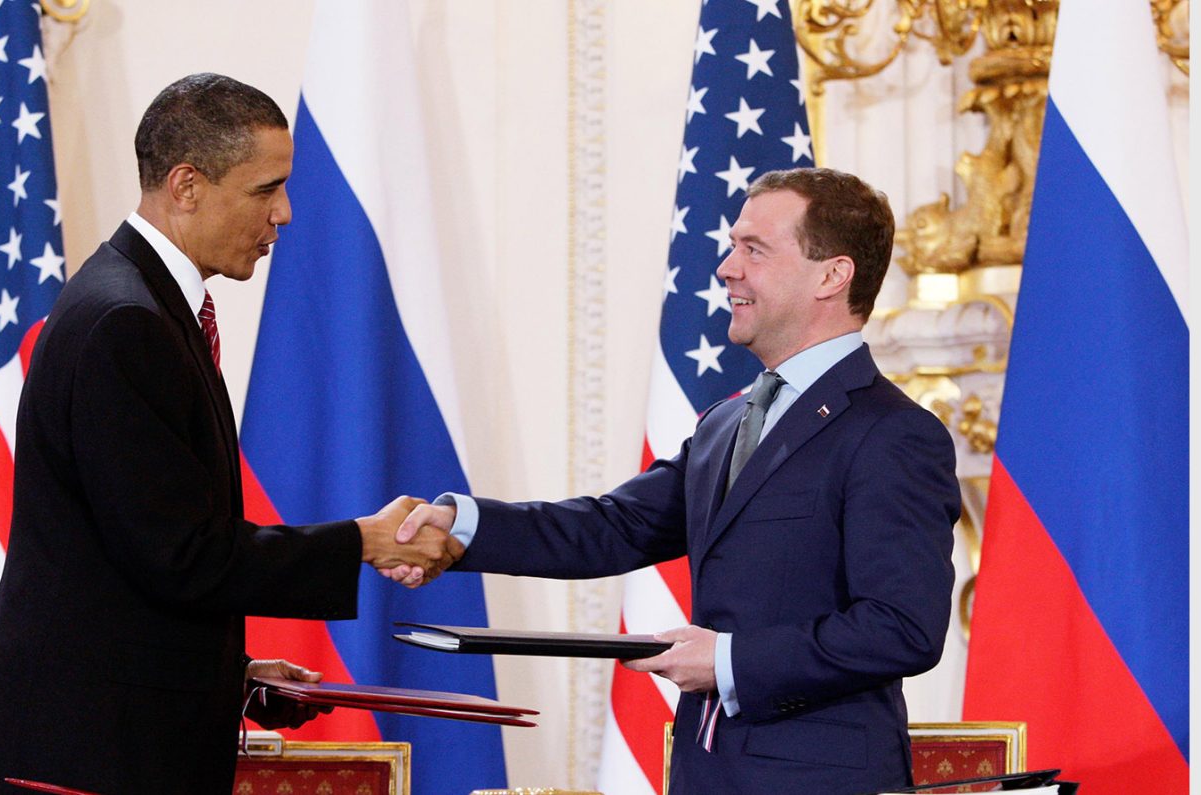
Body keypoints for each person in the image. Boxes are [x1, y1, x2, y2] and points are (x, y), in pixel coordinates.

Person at [0, 73, 461, 795]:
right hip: (88, 756)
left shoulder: (142, 303)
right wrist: (363, 540)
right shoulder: (125, 322)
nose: (284, 213)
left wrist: (234, 673)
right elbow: (180, 553)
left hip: (114, 735)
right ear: (187, 185)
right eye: (266, 190)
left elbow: (124, 564)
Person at [389, 168, 960, 794]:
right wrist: (460, 528)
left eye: (754, 249)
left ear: (832, 275)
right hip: (704, 773)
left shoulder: (892, 433)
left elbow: (901, 628)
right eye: (733, 246)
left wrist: (727, 660)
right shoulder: (726, 422)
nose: (726, 268)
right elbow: (614, 527)